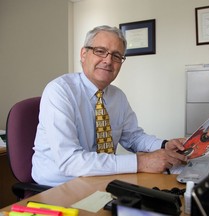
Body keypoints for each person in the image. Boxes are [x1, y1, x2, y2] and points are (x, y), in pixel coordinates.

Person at [31, 25, 187, 187]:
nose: (108, 60)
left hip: (103, 178)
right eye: (100, 51)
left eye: (116, 56)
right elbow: (70, 161)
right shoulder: (60, 90)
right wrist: (140, 162)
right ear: (84, 54)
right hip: (59, 184)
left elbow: (133, 137)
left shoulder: (117, 96)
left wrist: (165, 145)